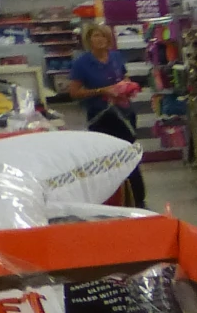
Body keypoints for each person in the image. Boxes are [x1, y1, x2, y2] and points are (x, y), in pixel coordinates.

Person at [62, 22, 146, 206]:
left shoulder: (116, 57)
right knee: (106, 161)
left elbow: (124, 77)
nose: (100, 40)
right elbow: (74, 93)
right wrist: (102, 91)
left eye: (103, 36)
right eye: (96, 36)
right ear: (89, 39)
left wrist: (127, 87)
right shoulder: (81, 63)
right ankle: (112, 201)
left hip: (124, 115)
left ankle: (138, 200)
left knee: (130, 157)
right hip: (100, 118)